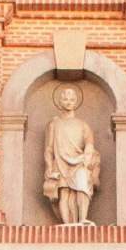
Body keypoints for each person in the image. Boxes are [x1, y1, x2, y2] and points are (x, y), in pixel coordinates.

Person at [40, 83, 101, 225]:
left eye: (72, 99)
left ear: (76, 102)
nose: (68, 101)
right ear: (60, 102)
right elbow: (48, 148)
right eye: (65, 99)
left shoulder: (83, 125)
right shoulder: (54, 124)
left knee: (82, 187)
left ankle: (82, 219)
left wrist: (86, 158)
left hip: (79, 162)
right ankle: (67, 224)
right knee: (64, 193)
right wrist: (49, 167)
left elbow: (89, 145)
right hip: (60, 163)